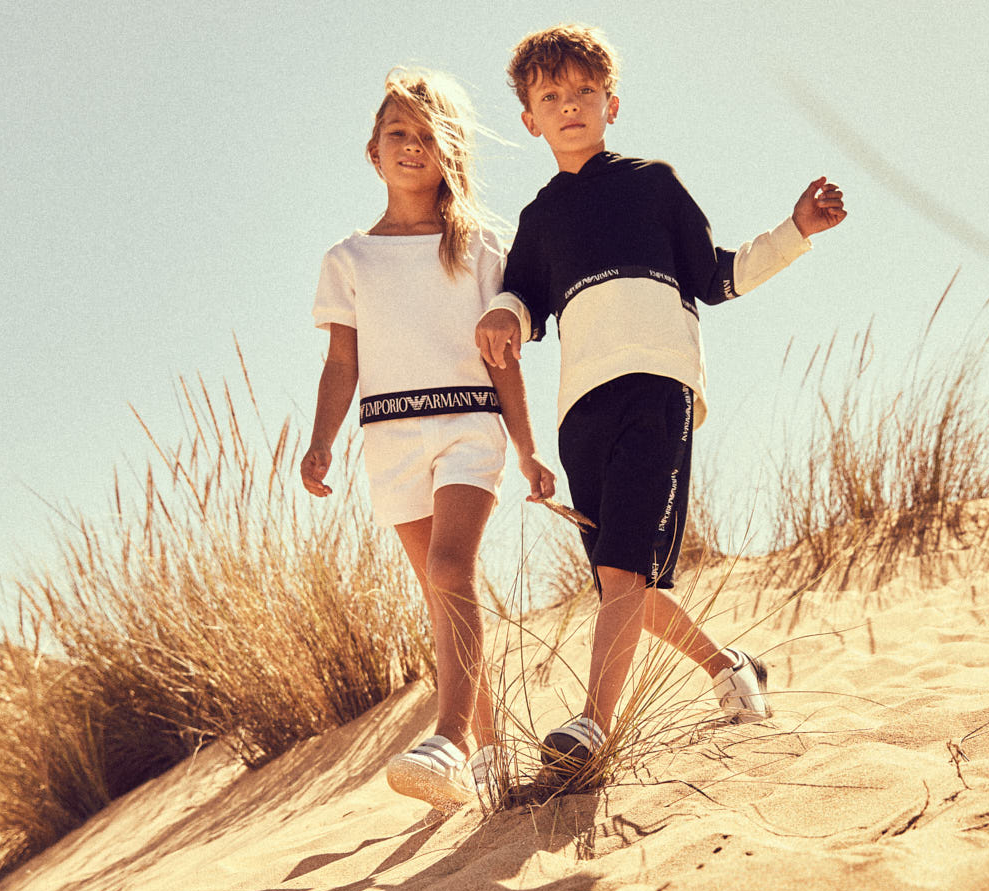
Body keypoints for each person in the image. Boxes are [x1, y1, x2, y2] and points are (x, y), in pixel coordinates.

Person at [475, 24, 848, 782]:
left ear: (611, 103)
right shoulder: (540, 217)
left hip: (660, 386)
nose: (569, 106)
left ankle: (593, 726)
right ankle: (730, 666)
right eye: (551, 97)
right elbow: (523, 299)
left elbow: (717, 276)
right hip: (581, 411)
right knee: (627, 587)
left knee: (621, 575)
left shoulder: (653, 183)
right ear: (529, 120)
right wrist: (502, 317)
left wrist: (795, 231)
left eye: (584, 92)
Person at [305, 68, 555, 812]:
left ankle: (446, 738)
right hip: (390, 437)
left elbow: (501, 357)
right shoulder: (347, 260)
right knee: (441, 592)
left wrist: (526, 446)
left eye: (428, 136)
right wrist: (321, 442)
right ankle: (490, 755)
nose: (413, 147)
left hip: (468, 424)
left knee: (452, 566)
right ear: (373, 152)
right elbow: (341, 362)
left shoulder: (478, 247)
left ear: (449, 154)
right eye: (398, 134)